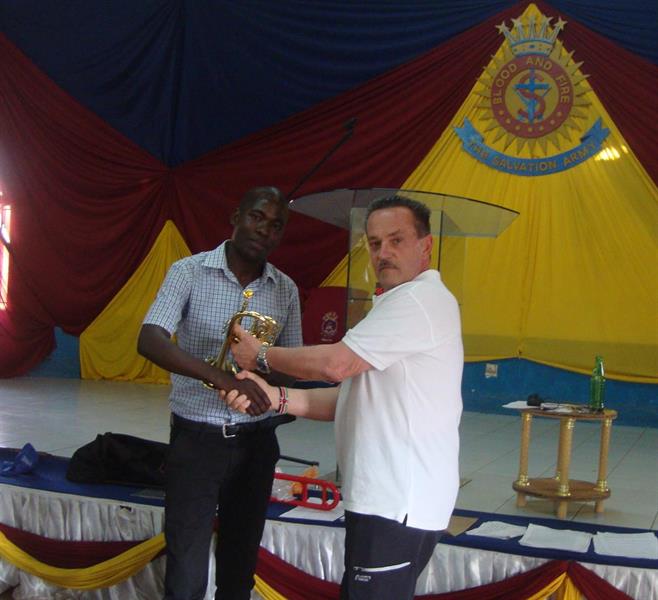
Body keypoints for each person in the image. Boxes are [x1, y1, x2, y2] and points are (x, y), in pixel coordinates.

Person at [227, 194, 463, 600]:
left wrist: (260, 355)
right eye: (375, 243)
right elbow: (350, 398)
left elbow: (336, 364)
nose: (383, 253)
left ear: (426, 246)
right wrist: (274, 396)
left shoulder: (418, 300)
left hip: (396, 504)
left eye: (396, 240)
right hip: (389, 502)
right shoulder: (399, 303)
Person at [137, 186, 302, 600]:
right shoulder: (188, 272)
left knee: (239, 570)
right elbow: (150, 339)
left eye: (275, 225)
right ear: (236, 216)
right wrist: (224, 379)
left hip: (256, 443)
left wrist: (262, 379)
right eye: (257, 217)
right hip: (197, 441)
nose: (264, 230)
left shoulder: (285, 289)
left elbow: (293, 368)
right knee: (185, 571)